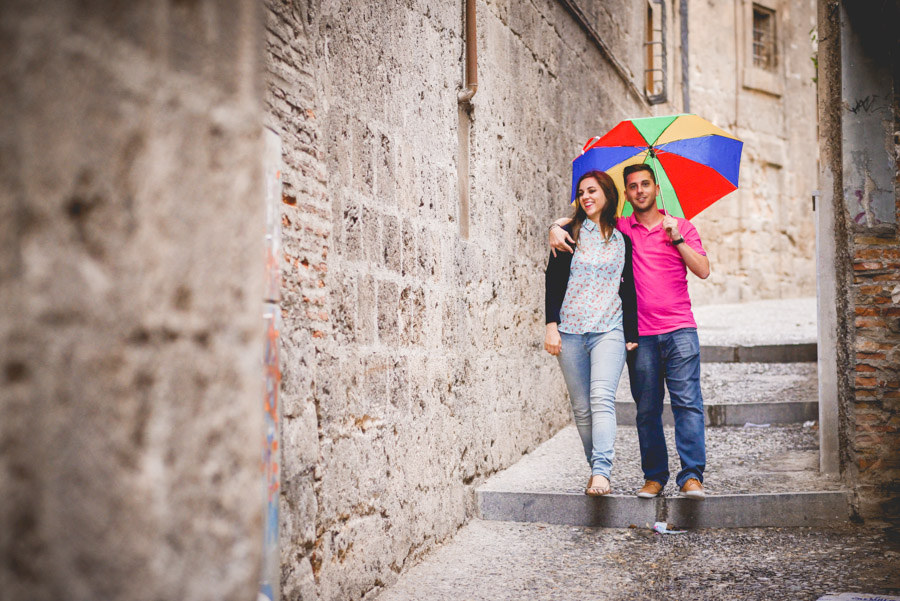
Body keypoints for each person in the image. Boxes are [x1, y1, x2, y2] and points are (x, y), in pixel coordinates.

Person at [549, 163, 710, 500]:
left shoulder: (681, 226)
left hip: (680, 328)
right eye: (633, 186)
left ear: (656, 188)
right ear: (625, 193)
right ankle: (654, 477)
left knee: (688, 404)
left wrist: (677, 238)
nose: (640, 191)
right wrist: (554, 227)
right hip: (641, 334)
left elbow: (703, 270)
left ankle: (692, 476)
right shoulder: (621, 228)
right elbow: (585, 218)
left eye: (645, 184)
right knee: (647, 410)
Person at [544, 170, 639, 496]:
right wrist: (551, 326)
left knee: (601, 399)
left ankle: (601, 472)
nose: (586, 197)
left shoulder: (622, 239)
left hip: (609, 329)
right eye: (582, 192)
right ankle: (594, 467)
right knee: (582, 408)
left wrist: (631, 332)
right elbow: (552, 281)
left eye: (592, 191)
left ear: (608, 195)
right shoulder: (567, 234)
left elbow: (628, 289)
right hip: (569, 331)